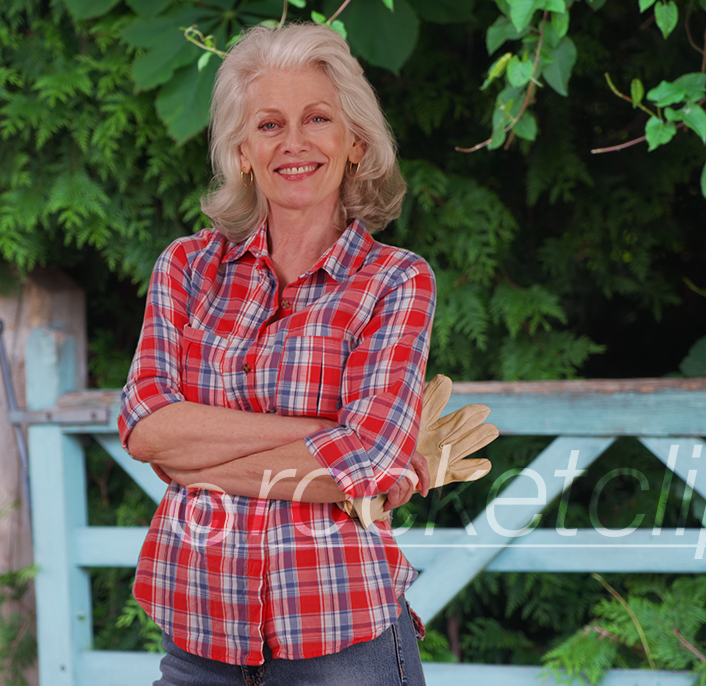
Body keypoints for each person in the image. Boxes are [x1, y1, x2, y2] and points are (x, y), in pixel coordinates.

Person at [118, 22, 435, 686]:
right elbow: (147, 430)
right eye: (269, 125)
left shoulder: (396, 281)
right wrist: (325, 434)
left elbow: (367, 466)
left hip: (343, 636)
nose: (294, 142)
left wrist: (195, 465)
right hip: (200, 632)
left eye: (317, 118)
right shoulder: (188, 268)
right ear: (242, 151)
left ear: (355, 142)